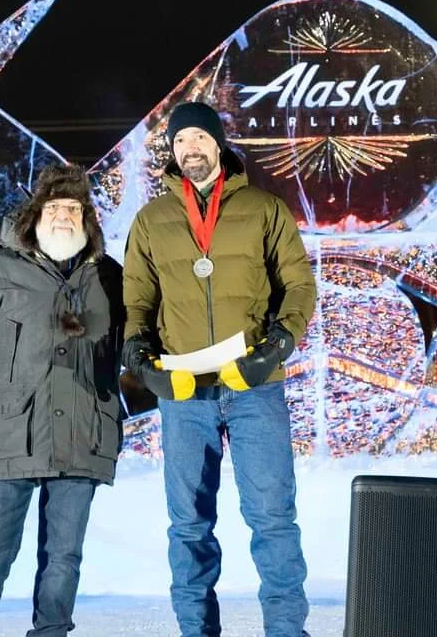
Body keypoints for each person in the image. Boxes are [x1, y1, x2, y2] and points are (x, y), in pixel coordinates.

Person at [122, 101, 316, 636]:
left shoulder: (264, 208)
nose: (191, 149)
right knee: (188, 525)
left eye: (200, 138)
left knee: (273, 519)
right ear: (172, 150)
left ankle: (287, 632)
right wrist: (140, 360)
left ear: (218, 144)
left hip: (254, 385)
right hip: (185, 393)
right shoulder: (151, 220)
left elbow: (298, 285)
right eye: (181, 141)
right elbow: (136, 303)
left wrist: (278, 346)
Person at [0, 163, 125, 636]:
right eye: (54, 207)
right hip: (8, 436)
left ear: (87, 218)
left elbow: (131, 348)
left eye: (73, 208)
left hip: (83, 436)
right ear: (35, 215)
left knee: (64, 557)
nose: (63, 216)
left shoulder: (109, 277)